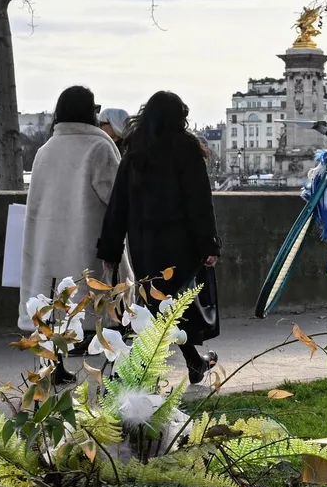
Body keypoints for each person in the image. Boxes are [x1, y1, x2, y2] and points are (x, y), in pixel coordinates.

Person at [97, 91, 222, 384]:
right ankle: (138, 371)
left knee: (159, 304)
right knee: (170, 305)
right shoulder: (186, 148)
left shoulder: (136, 151)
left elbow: (119, 204)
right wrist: (209, 243)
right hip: (180, 242)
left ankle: (187, 362)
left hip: (144, 243)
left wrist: (111, 247)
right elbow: (199, 200)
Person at [24, 86, 125, 344]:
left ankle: (54, 369)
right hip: (89, 245)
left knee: (53, 311)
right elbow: (117, 198)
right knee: (98, 315)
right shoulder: (100, 146)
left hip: (49, 246)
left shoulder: (45, 151)